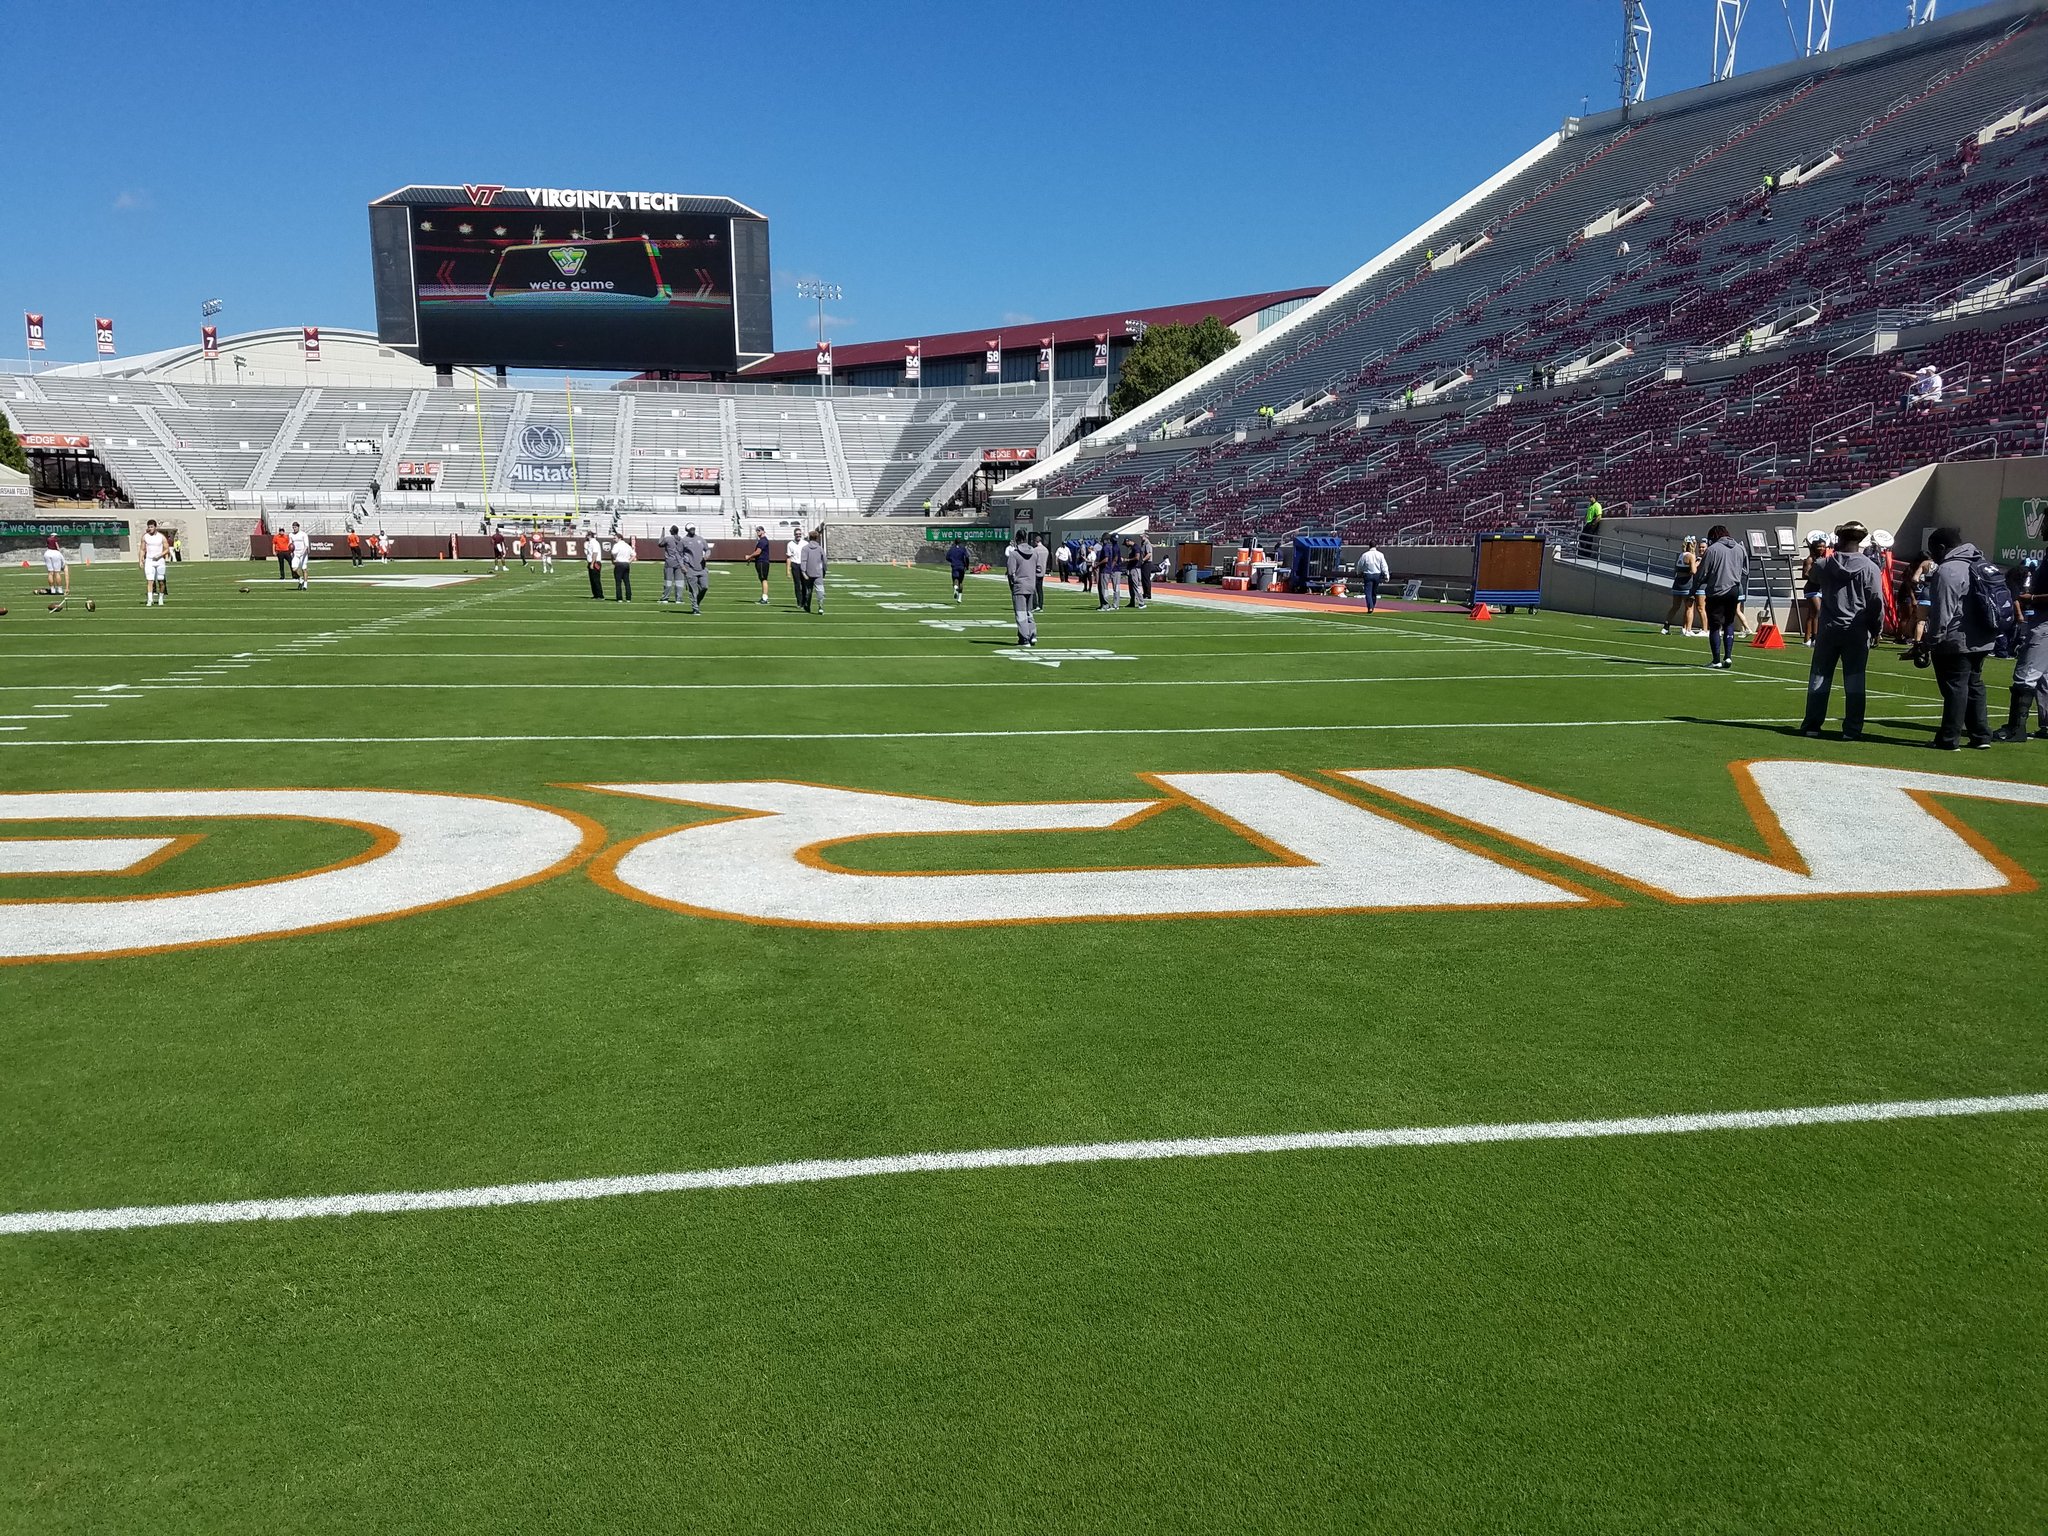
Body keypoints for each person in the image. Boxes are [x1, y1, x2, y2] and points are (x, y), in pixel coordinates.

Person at [1798, 521, 1884, 740]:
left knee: (1819, 677)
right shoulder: (1869, 567)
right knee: (1855, 680)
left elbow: (1811, 580)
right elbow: (1876, 602)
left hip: (1828, 627)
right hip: (1856, 629)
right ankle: (1852, 729)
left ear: (1839, 539)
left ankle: (1812, 725)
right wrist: (1876, 629)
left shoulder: (1825, 564)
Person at [1918, 526, 2001, 750]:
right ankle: (1981, 735)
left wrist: (1930, 641)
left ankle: (1949, 738)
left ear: (1942, 547)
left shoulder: (1948, 570)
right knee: (1974, 685)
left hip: (1957, 639)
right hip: (1984, 637)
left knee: (1955, 688)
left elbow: (1942, 611)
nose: (1932, 556)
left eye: (1932, 550)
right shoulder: (1981, 562)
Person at [1995, 558, 2048, 742]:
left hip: (2045, 621)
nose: (2042, 530)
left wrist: (2032, 598)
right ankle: (2046, 724)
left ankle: (2016, 728)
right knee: (2044, 677)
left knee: (2026, 673)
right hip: (2042, 617)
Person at [1697, 523, 1748, 670]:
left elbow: (1702, 572)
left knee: (1714, 626)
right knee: (1729, 623)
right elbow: (1745, 570)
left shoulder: (1712, 550)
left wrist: (1697, 585)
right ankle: (1728, 656)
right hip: (1734, 589)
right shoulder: (1740, 548)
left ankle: (1716, 659)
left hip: (1717, 590)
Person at [1006, 529, 1039, 647]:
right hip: (1031, 585)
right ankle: (1032, 633)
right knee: (1029, 612)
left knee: (1020, 613)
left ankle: (1025, 638)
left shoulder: (1014, 554)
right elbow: (1039, 569)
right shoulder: (1034, 552)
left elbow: (1010, 572)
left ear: (1017, 539)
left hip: (1020, 585)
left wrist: (1013, 583)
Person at [1798, 531, 1830, 645]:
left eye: (1823, 546)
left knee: (1811, 615)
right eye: (1819, 546)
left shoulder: (1823, 559)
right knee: (1818, 611)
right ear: (1814, 547)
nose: (1821, 548)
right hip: (1811, 589)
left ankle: (1807, 639)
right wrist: (1817, 576)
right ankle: (1815, 638)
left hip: (1820, 589)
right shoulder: (1810, 559)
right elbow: (1804, 574)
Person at [1662, 538, 1698, 634]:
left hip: (1677, 583)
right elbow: (1693, 571)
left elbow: (1676, 570)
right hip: (1687, 584)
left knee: (1675, 606)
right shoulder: (1691, 556)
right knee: (1689, 607)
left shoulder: (1680, 555)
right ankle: (1688, 630)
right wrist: (1696, 564)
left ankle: (1666, 627)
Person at [139, 518, 171, 607]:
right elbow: (142, 549)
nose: (150, 529)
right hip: (149, 560)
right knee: (150, 580)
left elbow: (167, 549)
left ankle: (160, 598)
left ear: (155, 527)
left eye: (152, 527)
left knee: (161, 581)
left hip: (160, 561)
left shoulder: (161, 537)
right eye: (149, 527)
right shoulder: (145, 536)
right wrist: (140, 560)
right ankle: (150, 600)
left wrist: (160, 555)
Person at [678, 526, 710, 614]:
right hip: (690, 568)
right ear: (687, 530)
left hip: (702, 568)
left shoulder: (700, 539)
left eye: (693, 528)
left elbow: (707, 549)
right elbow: (678, 554)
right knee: (693, 591)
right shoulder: (683, 541)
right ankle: (695, 608)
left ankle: (697, 602)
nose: (692, 530)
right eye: (691, 529)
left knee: (705, 587)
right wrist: (682, 566)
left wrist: (707, 555)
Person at [1356, 541, 1390, 613]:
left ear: (1369, 546)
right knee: (1374, 592)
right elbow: (1384, 565)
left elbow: (1360, 565)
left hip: (1368, 574)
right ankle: (1372, 606)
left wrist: (1358, 572)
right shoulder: (1380, 555)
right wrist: (1386, 574)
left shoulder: (1365, 555)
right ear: (1376, 546)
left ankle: (1370, 607)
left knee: (1368, 592)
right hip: (1377, 575)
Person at [659, 525, 687, 605]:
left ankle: (665, 598)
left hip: (669, 562)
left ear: (671, 531)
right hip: (679, 563)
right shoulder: (681, 539)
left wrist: (662, 533)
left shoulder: (668, 539)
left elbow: (660, 544)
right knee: (679, 582)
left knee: (668, 581)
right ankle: (679, 599)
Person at [800, 527, 826, 612]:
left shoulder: (805, 548)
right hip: (818, 572)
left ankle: (807, 606)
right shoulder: (820, 549)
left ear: (809, 538)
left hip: (808, 572)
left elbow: (803, 561)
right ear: (817, 538)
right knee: (820, 589)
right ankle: (820, 606)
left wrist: (803, 572)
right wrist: (824, 571)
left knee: (808, 590)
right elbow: (824, 561)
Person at [1096, 532, 1122, 611]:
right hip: (1109, 569)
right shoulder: (1111, 547)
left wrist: (1097, 565)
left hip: (1106, 570)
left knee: (1105, 588)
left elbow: (1108, 559)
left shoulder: (1107, 547)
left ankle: (1106, 604)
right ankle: (1108, 604)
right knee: (1106, 588)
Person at [610, 530, 636, 602]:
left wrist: (613, 559)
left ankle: (619, 598)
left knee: (618, 582)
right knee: (627, 581)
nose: (614, 539)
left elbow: (613, 552)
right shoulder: (627, 546)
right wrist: (629, 561)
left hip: (619, 564)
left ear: (620, 538)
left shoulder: (617, 545)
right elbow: (634, 555)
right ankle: (628, 598)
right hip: (626, 564)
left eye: (615, 538)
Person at [42, 534, 68, 604]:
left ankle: (52, 589)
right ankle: (59, 589)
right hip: (55, 553)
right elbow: (57, 547)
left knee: (50, 572)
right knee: (57, 572)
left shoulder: (48, 539)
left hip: (47, 553)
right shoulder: (55, 540)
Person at [946, 536, 971, 602]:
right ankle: (959, 598)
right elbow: (967, 557)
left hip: (954, 566)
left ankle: (955, 588)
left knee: (955, 580)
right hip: (961, 566)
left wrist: (952, 561)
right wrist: (967, 566)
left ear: (954, 542)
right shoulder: (963, 549)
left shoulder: (952, 549)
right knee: (961, 582)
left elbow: (947, 557)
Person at [583, 527, 605, 600]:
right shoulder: (590, 543)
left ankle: (600, 595)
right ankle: (595, 594)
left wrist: (592, 563)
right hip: (591, 562)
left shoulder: (594, 542)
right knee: (592, 579)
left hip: (595, 562)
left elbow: (595, 553)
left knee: (596, 579)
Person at [788, 529, 809, 608]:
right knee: (797, 584)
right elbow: (789, 557)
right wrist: (788, 570)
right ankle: (799, 602)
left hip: (803, 564)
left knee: (804, 584)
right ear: (794, 534)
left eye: (799, 534)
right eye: (796, 534)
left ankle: (804, 601)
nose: (798, 535)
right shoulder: (790, 544)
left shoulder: (805, 543)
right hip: (795, 564)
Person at [751, 526, 772, 604]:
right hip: (761, 561)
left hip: (762, 562)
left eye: (759, 530)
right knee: (762, 579)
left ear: (763, 531)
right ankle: (764, 597)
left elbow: (758, 552)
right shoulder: (761, 540)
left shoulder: (763, 541)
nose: (757, 532)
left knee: (764, 579)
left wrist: (749, 556)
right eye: (757, 531)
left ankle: (765, 598)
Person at [289, 521, 310, 591]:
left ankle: (305, 585)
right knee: (294, 569)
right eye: (293, 527)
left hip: (303, 554)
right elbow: (290, 544)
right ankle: (300, 580)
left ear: (298, 527)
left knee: (304, 569)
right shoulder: (291, 535)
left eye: (295, 527)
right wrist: (291, 552)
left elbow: (306, 545)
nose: (294, 529)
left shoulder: (303, 534)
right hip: (295, 553)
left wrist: (303, 553)